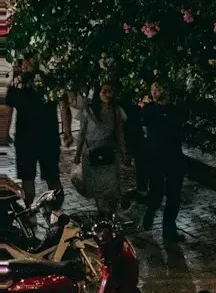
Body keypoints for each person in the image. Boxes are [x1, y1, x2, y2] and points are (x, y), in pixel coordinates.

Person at [7, 53, 64, 207]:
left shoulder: (17, 83)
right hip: (46, 136)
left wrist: (5, 133)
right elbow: (63, 104)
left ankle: (30, 211)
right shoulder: (49, 81)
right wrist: (67, 131)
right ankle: (55, 211)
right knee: (50, 177)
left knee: (30, 178)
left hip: (28, 138)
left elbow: (9, 109)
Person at [74, 82, 129, 216]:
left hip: (109, 152)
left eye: (110, 91)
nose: (108, 95)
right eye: (104, 91)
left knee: (110, 186)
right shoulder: (88, 111)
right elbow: (81, 133)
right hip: (91, 152)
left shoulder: (116, 111)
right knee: (97, 187)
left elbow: (119, 133)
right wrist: (77, 153)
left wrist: (124, 152)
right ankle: (103, 215)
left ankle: (110, 214)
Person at [140, 83, 186, 240]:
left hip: (174, 156)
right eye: (153, 89)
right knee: (156, 192)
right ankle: (150, 213)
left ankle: (169, 228)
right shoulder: (148, 110)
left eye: (158, 89)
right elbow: (145, 132)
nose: (154, 93)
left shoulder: (176, 109)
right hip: (156, 157)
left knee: (174, 194)